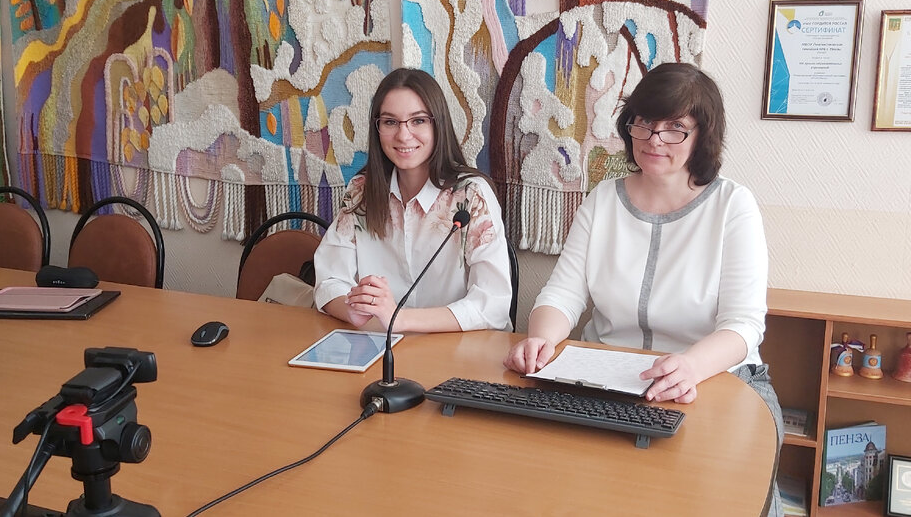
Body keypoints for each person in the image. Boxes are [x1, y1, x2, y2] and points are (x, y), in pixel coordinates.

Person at [502, 62, 783, 516]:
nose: (654, 139)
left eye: (675, 128)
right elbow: (561, 295)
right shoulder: (602, 200)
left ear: (702, 135)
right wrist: (542, 339)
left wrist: (691, 366)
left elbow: (744, 325)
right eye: (644, 123)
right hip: (607, 377)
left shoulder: (733, 205)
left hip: (714, 380)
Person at [313, 68, 512, 333]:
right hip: (380, 343)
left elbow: (493, 305)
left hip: (460, 347)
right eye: (390, 122)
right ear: (377, 128)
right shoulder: (361, 191)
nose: (403, 135)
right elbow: (328, 281)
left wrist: (399, 319)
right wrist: (351, 309)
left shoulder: (470, 195)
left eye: (418, 121)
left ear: (438, 124)